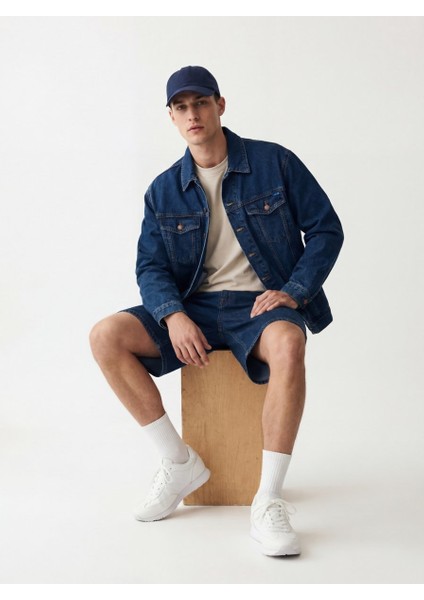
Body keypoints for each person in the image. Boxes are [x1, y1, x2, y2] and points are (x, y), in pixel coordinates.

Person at [89, 65, 344, 557]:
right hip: (196, 308)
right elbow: (150, 266)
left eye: (201, 103)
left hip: (260, 306)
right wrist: (173, 314)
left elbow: (326, 230)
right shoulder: (164, 189)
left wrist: (294, 291)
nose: (193, 115)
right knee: (106, 336)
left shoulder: (274, 162)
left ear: (220, 105)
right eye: (181, 107)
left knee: (289, 342)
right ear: (171, 116)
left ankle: (268, 499)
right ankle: (178, 462)